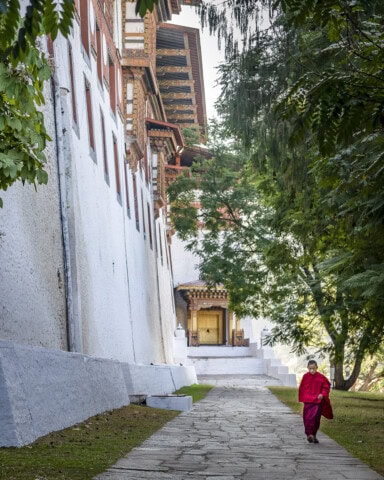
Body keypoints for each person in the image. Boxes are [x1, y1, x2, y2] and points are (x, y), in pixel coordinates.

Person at [298, 360, 333, 443]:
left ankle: (314, 434)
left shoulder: (321, 377)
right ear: (308, 368)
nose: (312, 370)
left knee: (315, 419)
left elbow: (326, 387)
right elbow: (302, 388)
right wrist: (304, 397)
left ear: (317, 367)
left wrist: (322, 394)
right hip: (308, 401)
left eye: (313, 368)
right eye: (310, 368)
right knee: (307, 418)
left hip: (317, 401)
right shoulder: (305, 377)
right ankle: (309, 434)